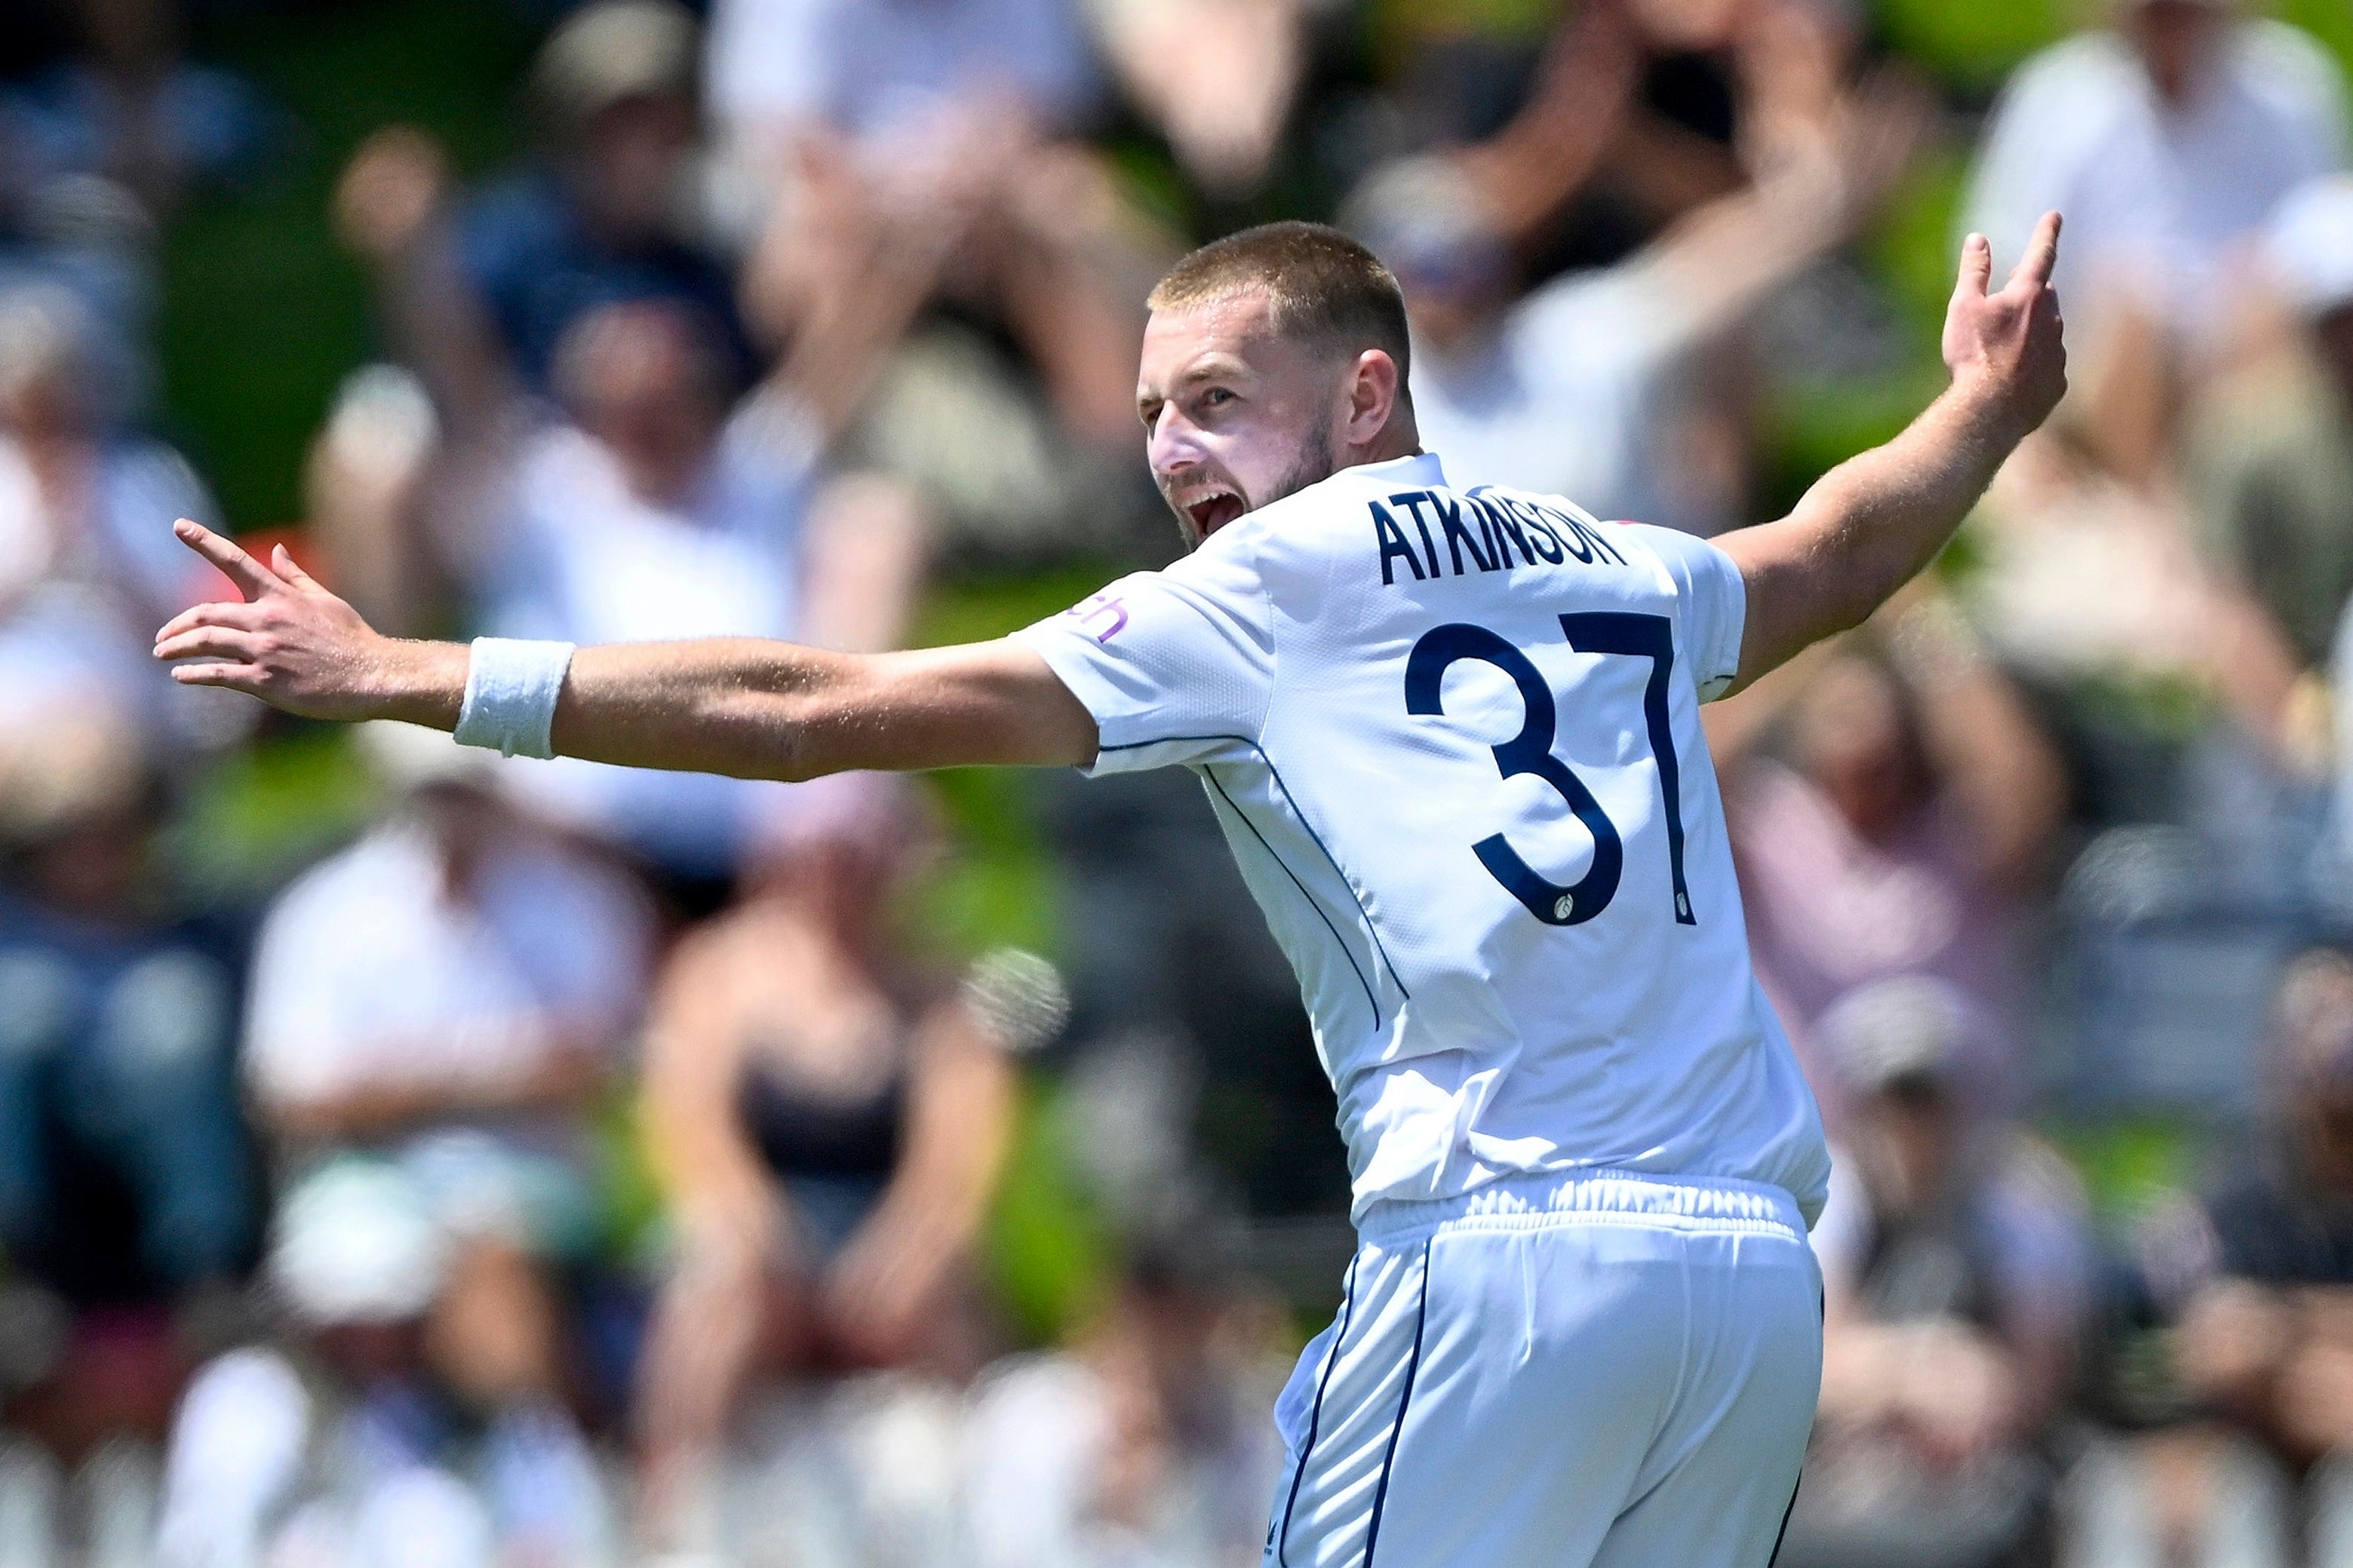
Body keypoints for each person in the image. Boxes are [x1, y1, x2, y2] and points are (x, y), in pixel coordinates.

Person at [152, 211, 2068, 1566]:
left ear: (1365, 396)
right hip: (1742, 1275)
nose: (1170, 451)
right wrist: (1974, 413)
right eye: (1154, 408)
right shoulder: (1610, 557)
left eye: (1219, 399)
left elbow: (816, 711)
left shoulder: (1264, 590)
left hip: (1507, 1259)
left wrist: (415, 674)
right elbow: (1828, 553)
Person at [632, 772, 1016, 1536]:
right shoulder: (718, 972)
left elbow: (956, 1160)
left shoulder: (937, 988)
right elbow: (692, 1131)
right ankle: (670, 1510)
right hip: (762, 1222)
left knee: (941, 1299)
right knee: (722, 1291)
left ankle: (988, 1518)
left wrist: (906, 1251)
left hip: (883, 1222)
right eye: (821, 857)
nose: (838, 879)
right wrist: (763, 1236)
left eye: (857, 859)